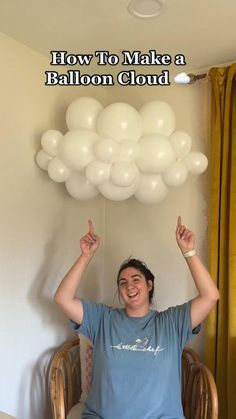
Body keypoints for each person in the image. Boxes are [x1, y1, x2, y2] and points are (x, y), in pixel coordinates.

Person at [54, 217, 220, 419]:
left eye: (136, 279)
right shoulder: (102, 319)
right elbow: (63, 299)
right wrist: (85, 257)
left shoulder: (171, 323)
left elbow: (211, 296)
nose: (128, 286)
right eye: (122, 282)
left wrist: (189, 251)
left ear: (149, 285)